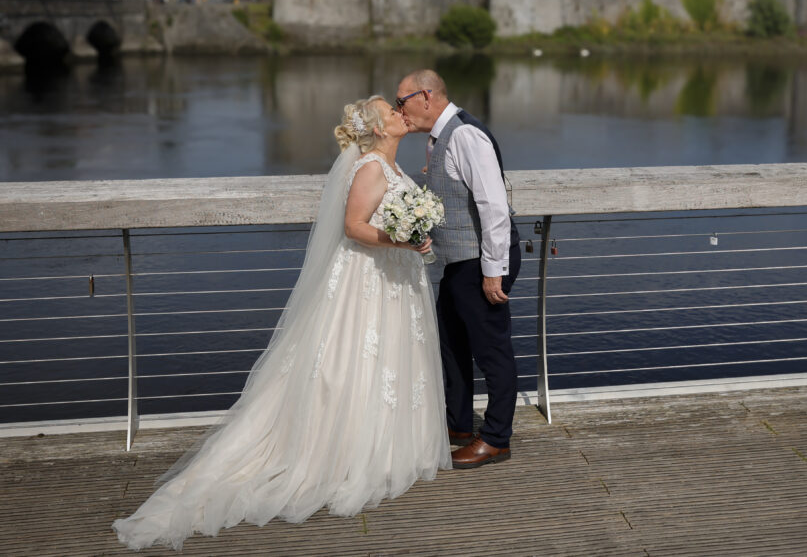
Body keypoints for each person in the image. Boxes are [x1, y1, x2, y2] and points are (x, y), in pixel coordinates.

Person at [112, 96, 451, 551]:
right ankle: (340, 452)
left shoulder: (389, 166)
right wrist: (404, 241)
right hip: (365, 279)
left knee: (384, 360)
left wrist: (413, 236)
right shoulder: (370, 168)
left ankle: (386, 447)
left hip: (389, 277)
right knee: (349, 359)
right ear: (379, 128)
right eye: (390, 110)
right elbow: (354, 227)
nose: (398, 111)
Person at [396, 70, 521, 469]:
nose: (401, 110)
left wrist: (493, 270)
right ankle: (458, 425)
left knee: (491, 350)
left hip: (481, 261)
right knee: (450, 342)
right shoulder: (440, 139)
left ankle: (497, 438)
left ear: (426, 96)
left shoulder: (465, 135)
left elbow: (494, 206)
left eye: (403, 101)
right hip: (459, 261)